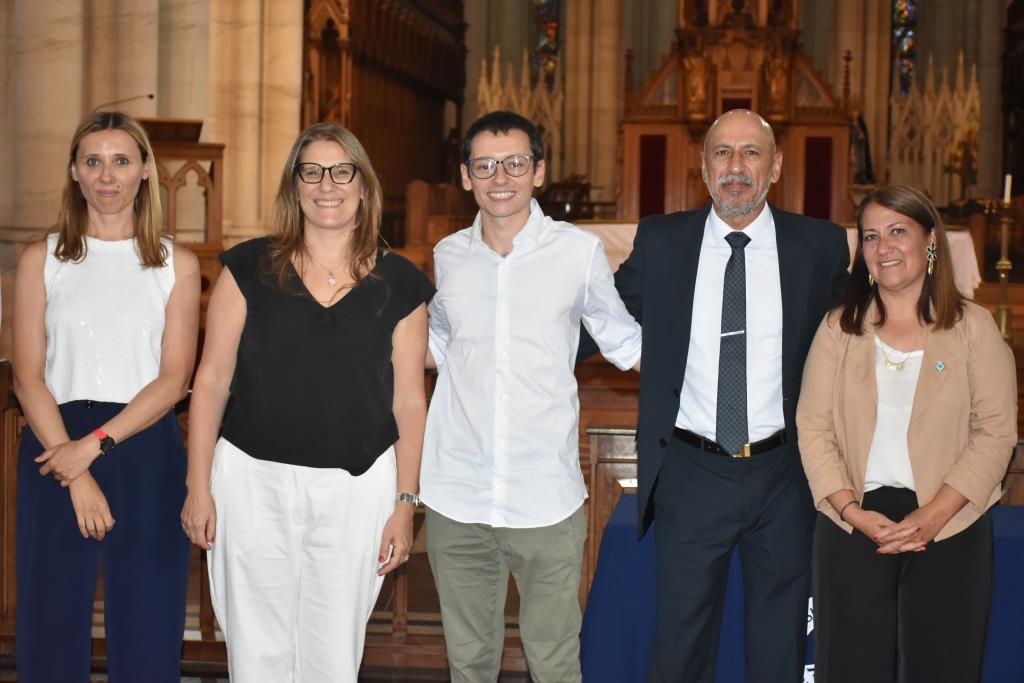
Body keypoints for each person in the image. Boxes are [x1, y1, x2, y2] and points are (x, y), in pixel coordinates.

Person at [180, 121, 433, 681]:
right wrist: (198, 487)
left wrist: (405, 502)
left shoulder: (401, 283)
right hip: (250, 480)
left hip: (355, 486)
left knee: (332, 652)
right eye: (312, 171)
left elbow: (410, 403)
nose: (327, 185)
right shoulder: (246, 268)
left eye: (342, 171)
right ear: (294, 186)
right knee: (256, 648)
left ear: (363, 186)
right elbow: (213, 380)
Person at [608, 109, 849, 682]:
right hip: (692, 470)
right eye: (722, 153)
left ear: (776, 165)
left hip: (785, 474)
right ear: (702, 165)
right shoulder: (663, 240)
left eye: (750, 153)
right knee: (681, 644)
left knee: (778, 642)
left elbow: (857, 336)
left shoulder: (817, 245)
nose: (735, 167)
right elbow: (599, 320)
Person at [421, 110, 642, 683]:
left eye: (515, 163)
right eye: (486, 165)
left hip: (544, 494)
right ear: (466, 176)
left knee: (554, 662)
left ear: (538, 171)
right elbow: (435, 346)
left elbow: (626, 343)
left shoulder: (578, 253)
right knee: (468, 664)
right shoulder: (447, 257)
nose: (501, 177)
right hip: (458, 493)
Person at [797, 185, 1017, 682]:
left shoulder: (974, 329)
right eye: (871, 236)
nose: (884, 247)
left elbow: (996, 433)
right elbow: (812, 427)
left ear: (930, 241)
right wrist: (850, 511)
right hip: (853, 525)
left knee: (942, 668)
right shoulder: (839, 329)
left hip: (950, 524)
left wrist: (932, 517)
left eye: (898, 231)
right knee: (850, 669)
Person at [11, 111, 200, 681]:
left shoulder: (176, 265)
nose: (107, 175)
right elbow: (27, 376)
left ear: (146, 171)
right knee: (50, 617)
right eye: (93, 161)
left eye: (122, 160)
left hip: (142, 444)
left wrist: (91, 451)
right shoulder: (40, 259)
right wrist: (74, 469)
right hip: (52, 443)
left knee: (148, 615)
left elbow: (174, 381)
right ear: (74, 171)